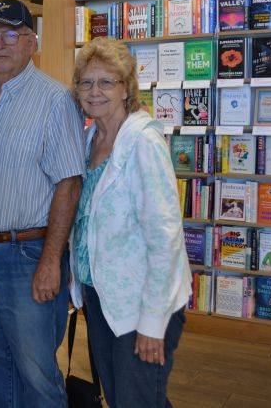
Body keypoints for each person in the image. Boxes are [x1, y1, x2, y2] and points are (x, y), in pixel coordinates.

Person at [0, 0, 85, 407]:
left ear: (31, 42)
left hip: (29, 254)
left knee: (36, 373)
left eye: (10, 34)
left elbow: (68, 184)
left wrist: (51, 260)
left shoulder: (54, 100)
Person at [70, 37, 191, 407]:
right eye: (87, 82)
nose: (95, 92)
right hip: (103, 298)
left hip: (142, 303)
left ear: (126, 89)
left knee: (137, 398)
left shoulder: (142, 143)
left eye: (107, 82)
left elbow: (165, 237)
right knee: (126, 397)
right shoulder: (90, 138)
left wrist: (152, 325)